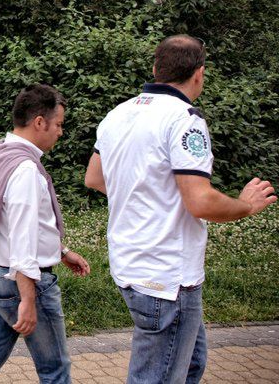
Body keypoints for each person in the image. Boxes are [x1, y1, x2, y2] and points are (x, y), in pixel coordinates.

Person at [85, 35, 275, 384]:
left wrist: (147, 193)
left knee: (191, 363)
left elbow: (94, 177)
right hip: (168, 278)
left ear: (155, 68)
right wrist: (247, 206)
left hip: (131, 265)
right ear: (200, 74)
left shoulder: (118, 113)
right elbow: (200, 200)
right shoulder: (184, 120)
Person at [0, 84, 90, 384]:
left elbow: (11, 224)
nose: (60, 132)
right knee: (55, 370)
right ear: (40, 122)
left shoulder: (0, 154)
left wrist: (61, 252)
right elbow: (23, 240)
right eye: (59, 124)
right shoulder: (25, 169)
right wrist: (27, 299)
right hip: (21, 282)